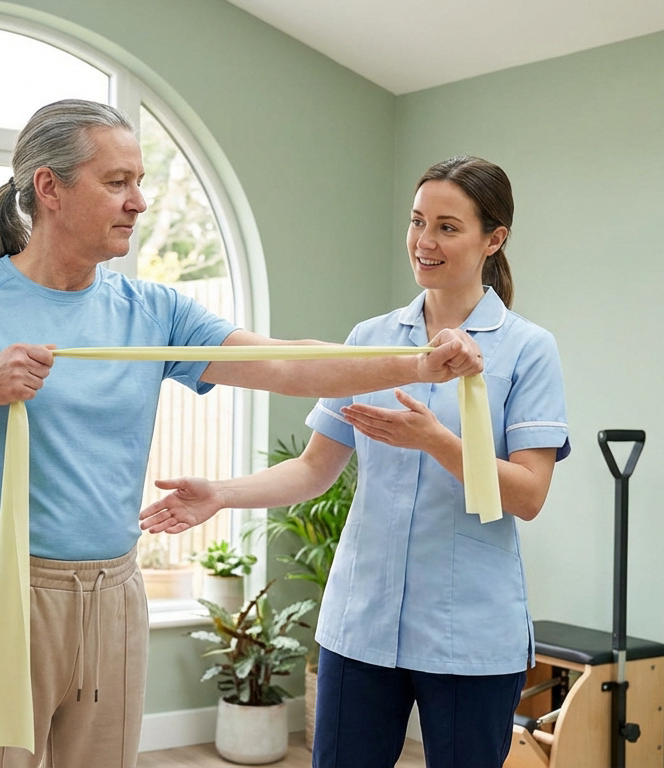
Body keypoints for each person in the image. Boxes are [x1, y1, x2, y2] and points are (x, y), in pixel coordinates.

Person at [0, 99, 485, 768]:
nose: (139, 202)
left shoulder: (151, 310)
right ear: (50, 188)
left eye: (140, 182)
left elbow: (283, 362)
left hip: (111, 592)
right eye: (117, 182)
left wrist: (420, 363)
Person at [140, 156, 570, 768]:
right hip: (361, 624)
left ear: (493, 238)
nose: (424, 242)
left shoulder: (528, 349)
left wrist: (434, 440)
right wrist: (221, 493)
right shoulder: (369, 341)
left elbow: (528, 495)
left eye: (448, 227)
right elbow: (315, 469)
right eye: (418, 221)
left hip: (469, 632)